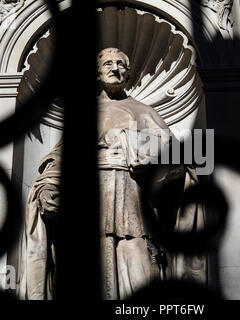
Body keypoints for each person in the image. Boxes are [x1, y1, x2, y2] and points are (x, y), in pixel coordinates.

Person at [19, 48, 206, 300]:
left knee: (140, 270)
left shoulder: (144, 112)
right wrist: (49, 187)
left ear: (128, 73)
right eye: (107, 63)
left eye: (120, 63)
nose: (114, 67)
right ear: (97, 72)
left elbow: (176, 158)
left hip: (133, 202)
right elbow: (60, 158)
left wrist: (131, 144)